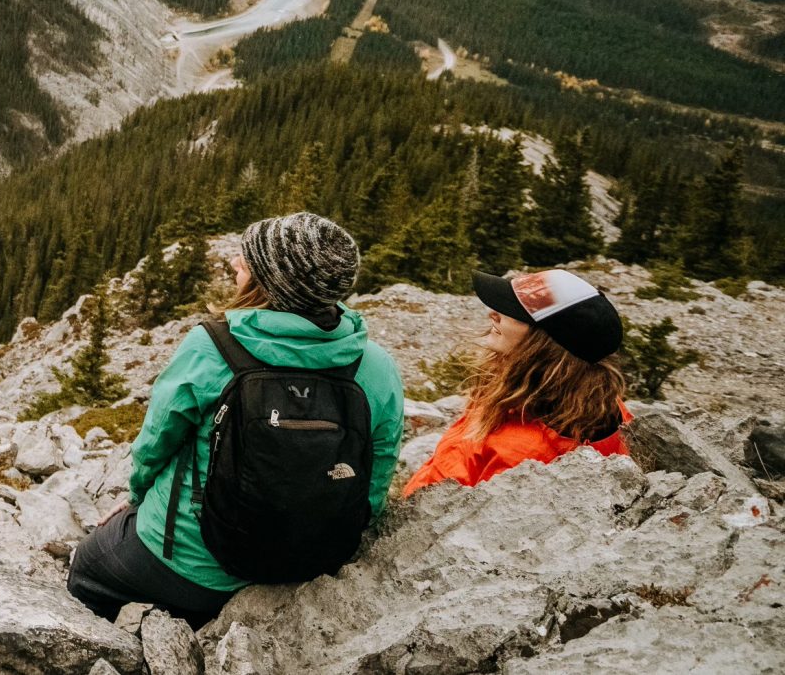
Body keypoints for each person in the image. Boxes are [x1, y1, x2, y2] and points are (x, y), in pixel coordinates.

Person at [67, 213, 405, 627]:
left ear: (271, 282)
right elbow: (378, 470)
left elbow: (157, 441)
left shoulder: (212, 347)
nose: (233, 263)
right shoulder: (375, 366)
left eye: (247, 260)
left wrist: (136, 495)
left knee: (87, 565)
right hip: (311, 561)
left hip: (192, 560)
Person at [404, 269, 627, 494]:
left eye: (514, 312)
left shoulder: (524, 457)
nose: (493, 313)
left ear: (544, 344)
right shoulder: (603, 407)